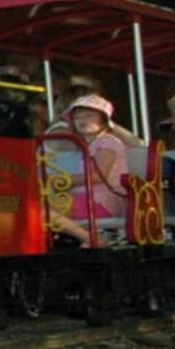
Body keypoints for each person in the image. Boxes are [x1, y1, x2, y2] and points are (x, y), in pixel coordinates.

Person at [48, 93, 129, 246]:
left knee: (41, 209)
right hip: (85, 199)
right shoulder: (89, 145)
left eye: (88, 115)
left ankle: (89, 238)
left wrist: (63, 180)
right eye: (77, 118)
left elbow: (98, 176)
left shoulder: (108, 141)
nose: (82, 121)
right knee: (39, 207)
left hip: (100, 202)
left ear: (103, 119)